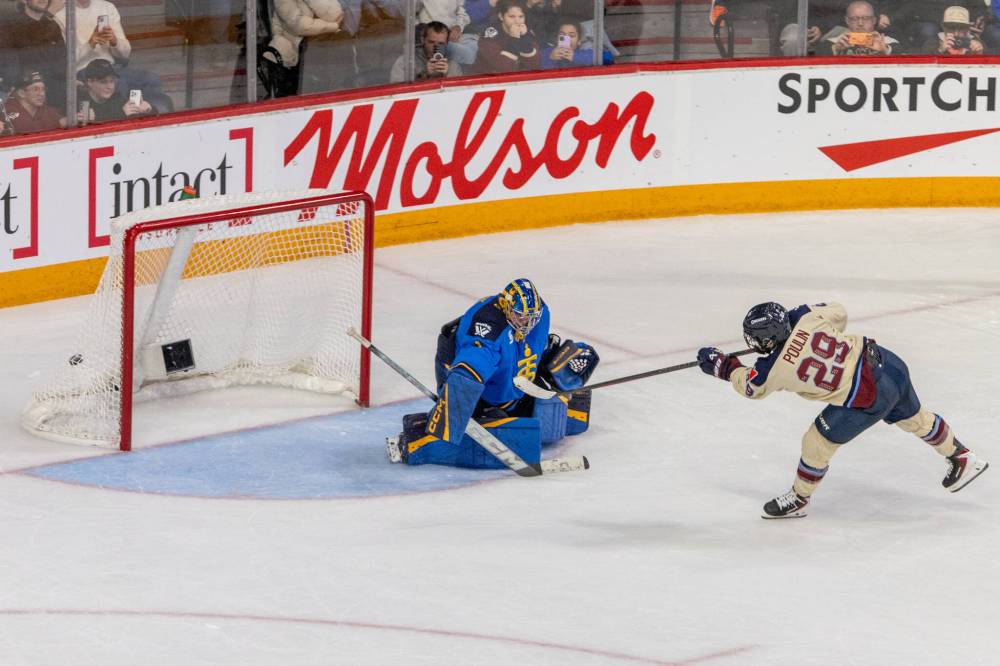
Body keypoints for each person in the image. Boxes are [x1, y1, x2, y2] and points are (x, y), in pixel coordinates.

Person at [697, 301, 988, 519]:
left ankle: (799, 499)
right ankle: (962, 456)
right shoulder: (805, 316)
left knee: (816, 442)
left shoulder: (772, 369)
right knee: (916, 419)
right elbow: (839, 313)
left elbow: (751, 387)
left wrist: (724, 366)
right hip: (888, 363)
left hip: (869, 397)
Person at [386, 278, 599, 468]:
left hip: (513, 382)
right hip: (480, 397)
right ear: (506, 305)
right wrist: (449, 418)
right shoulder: (487, 330)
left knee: (579, 363)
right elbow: (467, 373)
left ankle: (522, 411)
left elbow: (534, 345)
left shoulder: (539, 314)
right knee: (524, 442)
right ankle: (419, 441)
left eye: (531, 317)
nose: (527, 323)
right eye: (521, 316)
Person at [78, 58, 156, 123]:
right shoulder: (81, 102)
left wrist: (149, 109)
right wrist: (77, 121)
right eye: (103, 82)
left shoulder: (118, 99)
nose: (110, 87)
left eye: (112, 81)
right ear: (90, 82)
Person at [472, 0, 540, 73]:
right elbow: (504, 68)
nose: (517, 21)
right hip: (488, 76)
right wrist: (514, 39)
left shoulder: (526, 32)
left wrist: (524, 39)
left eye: (521, 16)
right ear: (501, 16)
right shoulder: (490, 34)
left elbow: (534, 66)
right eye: (512, 16)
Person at [817, 0, 903, 55]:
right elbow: (816, 55)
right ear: (847, 21)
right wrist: (835, 49)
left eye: (866, 18)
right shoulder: (836, 42)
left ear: (874, 21)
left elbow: (904, 57)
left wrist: (885, 51)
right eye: (854, 19)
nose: (860, 23)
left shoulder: (887, 43)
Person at [389, 21, 463, 82]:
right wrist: (424, 75)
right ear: (422, 40)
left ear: (447, 43)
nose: (435, 47)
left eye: (441, 44)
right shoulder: (405, 62)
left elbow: (460, 91)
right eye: (431, 42)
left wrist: (447, 75)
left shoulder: (453, 65)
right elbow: (396, 90)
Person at [417, 0, 479, 65]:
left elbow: (462, 12)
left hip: (454, 31)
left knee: (470, 55)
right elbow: (411, 13)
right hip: (431, 33)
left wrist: (458, 26)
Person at [4, 70, 65, 134]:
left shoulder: (47, 111)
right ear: (21, 93)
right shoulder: (7, 111)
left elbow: (61, 122)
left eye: (43, 89)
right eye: (36, 89)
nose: (42, 94)